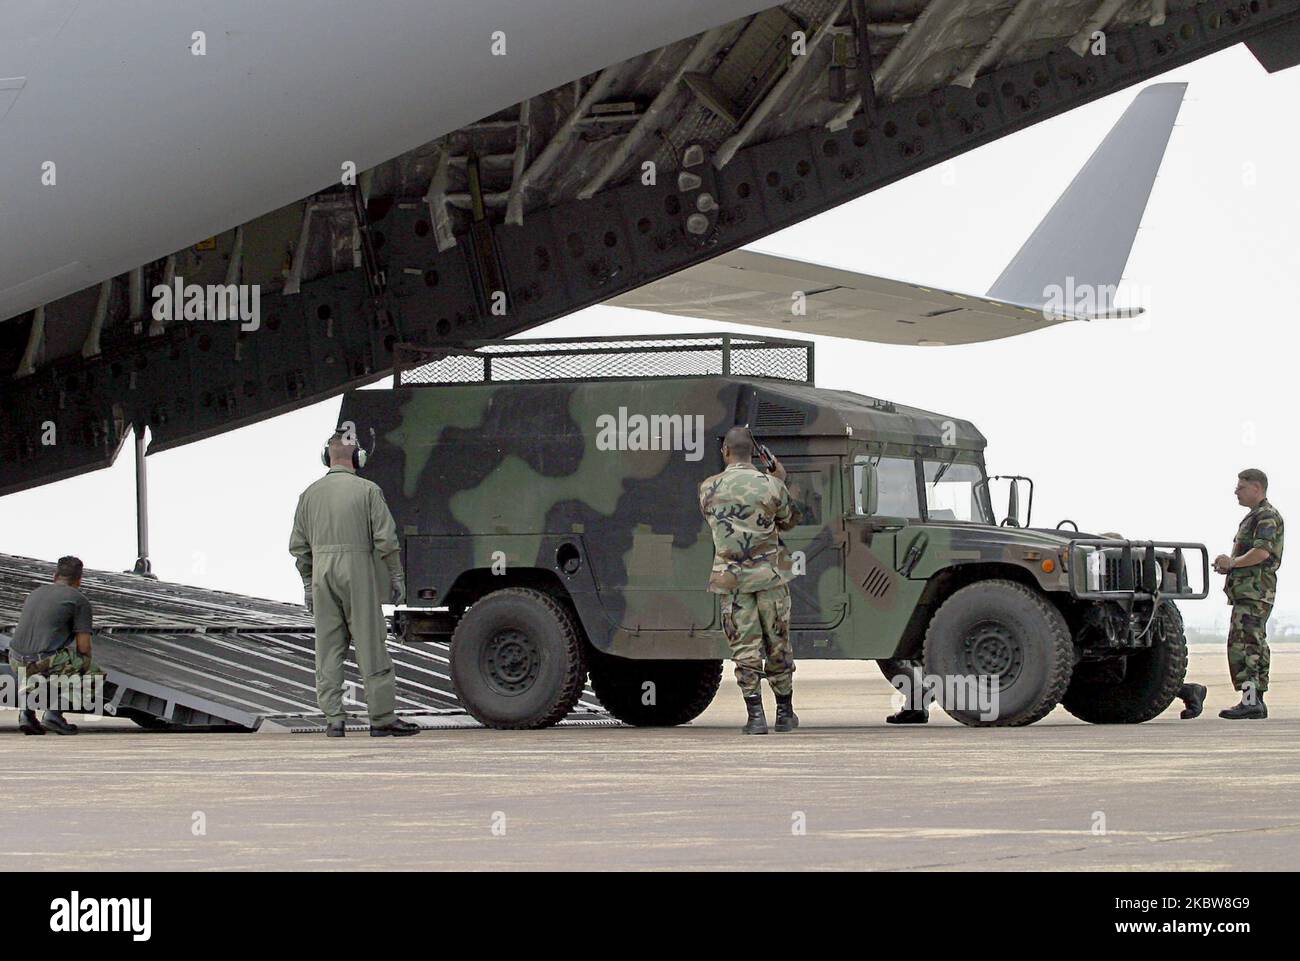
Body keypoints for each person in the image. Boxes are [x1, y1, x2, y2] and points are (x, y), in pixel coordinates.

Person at [289, 429, 418, 737]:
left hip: (322, 572)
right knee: (371, 644)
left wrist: (308, 584)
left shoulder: (308, 495)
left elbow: (299, 547)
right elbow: (386, 540)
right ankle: (381, 718)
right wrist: (396, 577)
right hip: (357, 570)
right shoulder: (368, 491)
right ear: (358, 458)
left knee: (329, 648)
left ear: (326, 457)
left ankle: (334, 719)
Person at [699, 427, 802, 734]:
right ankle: (785, 713)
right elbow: (790, 521)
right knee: (778, 643)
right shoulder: (771, 485)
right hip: (770, 576)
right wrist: (779, 479)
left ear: (726, 452)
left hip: (731, 580)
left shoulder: (707, 488)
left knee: (744, 646)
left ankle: (755, 716)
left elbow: (714, 521)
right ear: (754, 454)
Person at [1212, 468, 1283, 720]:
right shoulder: (1256, 516)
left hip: (1254, 592)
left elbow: (1261, 553)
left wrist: (1232, 562)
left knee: (1245, 647)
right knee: (1252, 644)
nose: (1236, 491)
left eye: (1241, 487)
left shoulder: (1265, 516)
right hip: (1251, 591)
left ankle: (1251, 701)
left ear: (1257, 488)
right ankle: (1255, 702)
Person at [7, 556, 104, 735]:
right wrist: (80, 669)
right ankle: (54, 715)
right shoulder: (79, 600)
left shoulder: (35, 593)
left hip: (14, 658)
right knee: (94, 673)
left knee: (41, 669)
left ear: (55, 575)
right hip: (42, 660)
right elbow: (84, 647)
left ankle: (26, 715)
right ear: (79, 580)